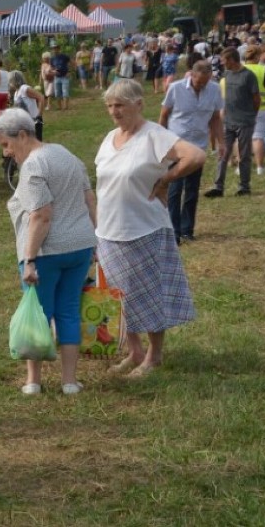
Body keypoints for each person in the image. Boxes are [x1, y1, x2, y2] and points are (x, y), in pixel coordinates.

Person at [96, 80, 206, 377]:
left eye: (120, 105)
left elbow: (195, 156)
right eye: (109, 106)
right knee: (119, 295)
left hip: (144, 227)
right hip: (108, 229)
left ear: (139, 104)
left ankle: (154, 356)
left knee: (149, 293)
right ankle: (135, 352)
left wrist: (167, 180)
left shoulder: (154, 135)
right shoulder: (109, 138)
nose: (114, 111)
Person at [0, 108, 97, 394]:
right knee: (68, 311)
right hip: (79, 247)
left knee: (38, 313)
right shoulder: (67, 154)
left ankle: (33, 381)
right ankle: (69, 381)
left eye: (6, 144)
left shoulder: (33, 165)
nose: (6, 152)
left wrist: (29, 260)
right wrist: (95, 238)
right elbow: (89, 198)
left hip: (46, 252)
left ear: (24, 135)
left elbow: (41, 215)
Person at [159, 61, 225, 245]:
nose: (202, 86)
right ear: (192, 75)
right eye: (199, 82)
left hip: (198, 148)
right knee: (175, 188)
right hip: (176, 146)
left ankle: (187, 230)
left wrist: (221, 142)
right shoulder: (175, 88)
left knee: (192, 190)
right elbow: (164, 115)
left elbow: (215, 119)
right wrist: (160, 142)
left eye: (206, 82)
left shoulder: (214, 90)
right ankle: (173, 231)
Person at [204, 47, 260, 197]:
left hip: (245, 121)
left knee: (244, 155)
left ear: (232, 60)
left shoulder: (248, 76)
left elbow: (256, 99)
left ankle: (244, 186)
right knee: (223, 153)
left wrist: (250, 116)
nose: (222, 63)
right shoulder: (226, 74)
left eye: (224, 60)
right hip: (228, 121)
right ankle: (218, 187)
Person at [243, 45, 265, 175]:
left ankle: (241, 167)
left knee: (242, 137)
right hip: (262, 107)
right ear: (257, 56)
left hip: (241, 109)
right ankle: (260, 167)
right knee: (258, 137)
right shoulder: (264, 70)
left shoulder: (239, 70)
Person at [9, 70, 45, 141]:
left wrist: (39, 116)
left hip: (33, 121)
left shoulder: (24, 88)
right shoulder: (16, 92)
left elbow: (41, 97)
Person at [50, 44, 72, 110]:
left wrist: (70, 72)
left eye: (56, 49)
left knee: (65, 92)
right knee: (57, 93)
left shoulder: (64, 56)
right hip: (57, 77)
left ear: (59, 49)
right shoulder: (52, 58)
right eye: (53, 49)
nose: (54, 50)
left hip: (65, 76)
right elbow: (51, 67)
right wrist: (53, 71)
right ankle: (59, 107)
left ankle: (65, 107)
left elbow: (72, 63)